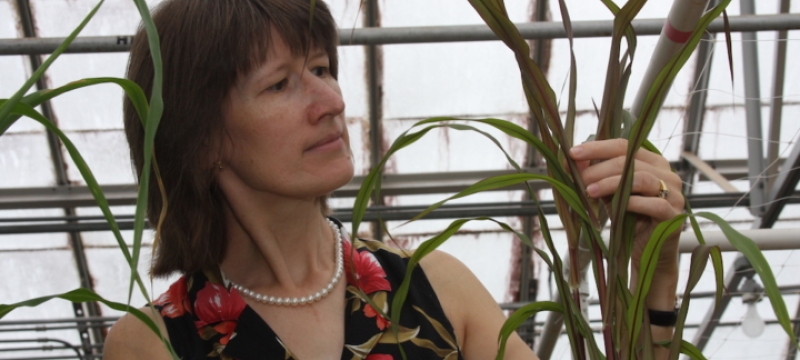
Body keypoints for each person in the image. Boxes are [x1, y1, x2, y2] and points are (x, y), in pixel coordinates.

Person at [103, 0, 683, 359]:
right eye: (280, 83)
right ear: (200, 139)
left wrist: (653, 277)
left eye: (323, 69)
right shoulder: (152, 344)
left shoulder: (434, 288)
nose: (330, 100)